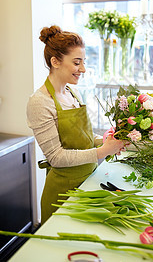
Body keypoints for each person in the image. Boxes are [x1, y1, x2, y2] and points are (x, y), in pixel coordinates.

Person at [27, 25, 125, 224]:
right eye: (77, 63)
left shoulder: (73, 93)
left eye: (84, 62)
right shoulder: (39, 102)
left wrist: (106, 140)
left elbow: (83, 138)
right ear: (55, 62)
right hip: (63, 194)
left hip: (87, 181)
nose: (83, 69)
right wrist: (104, 150)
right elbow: (56, 157)